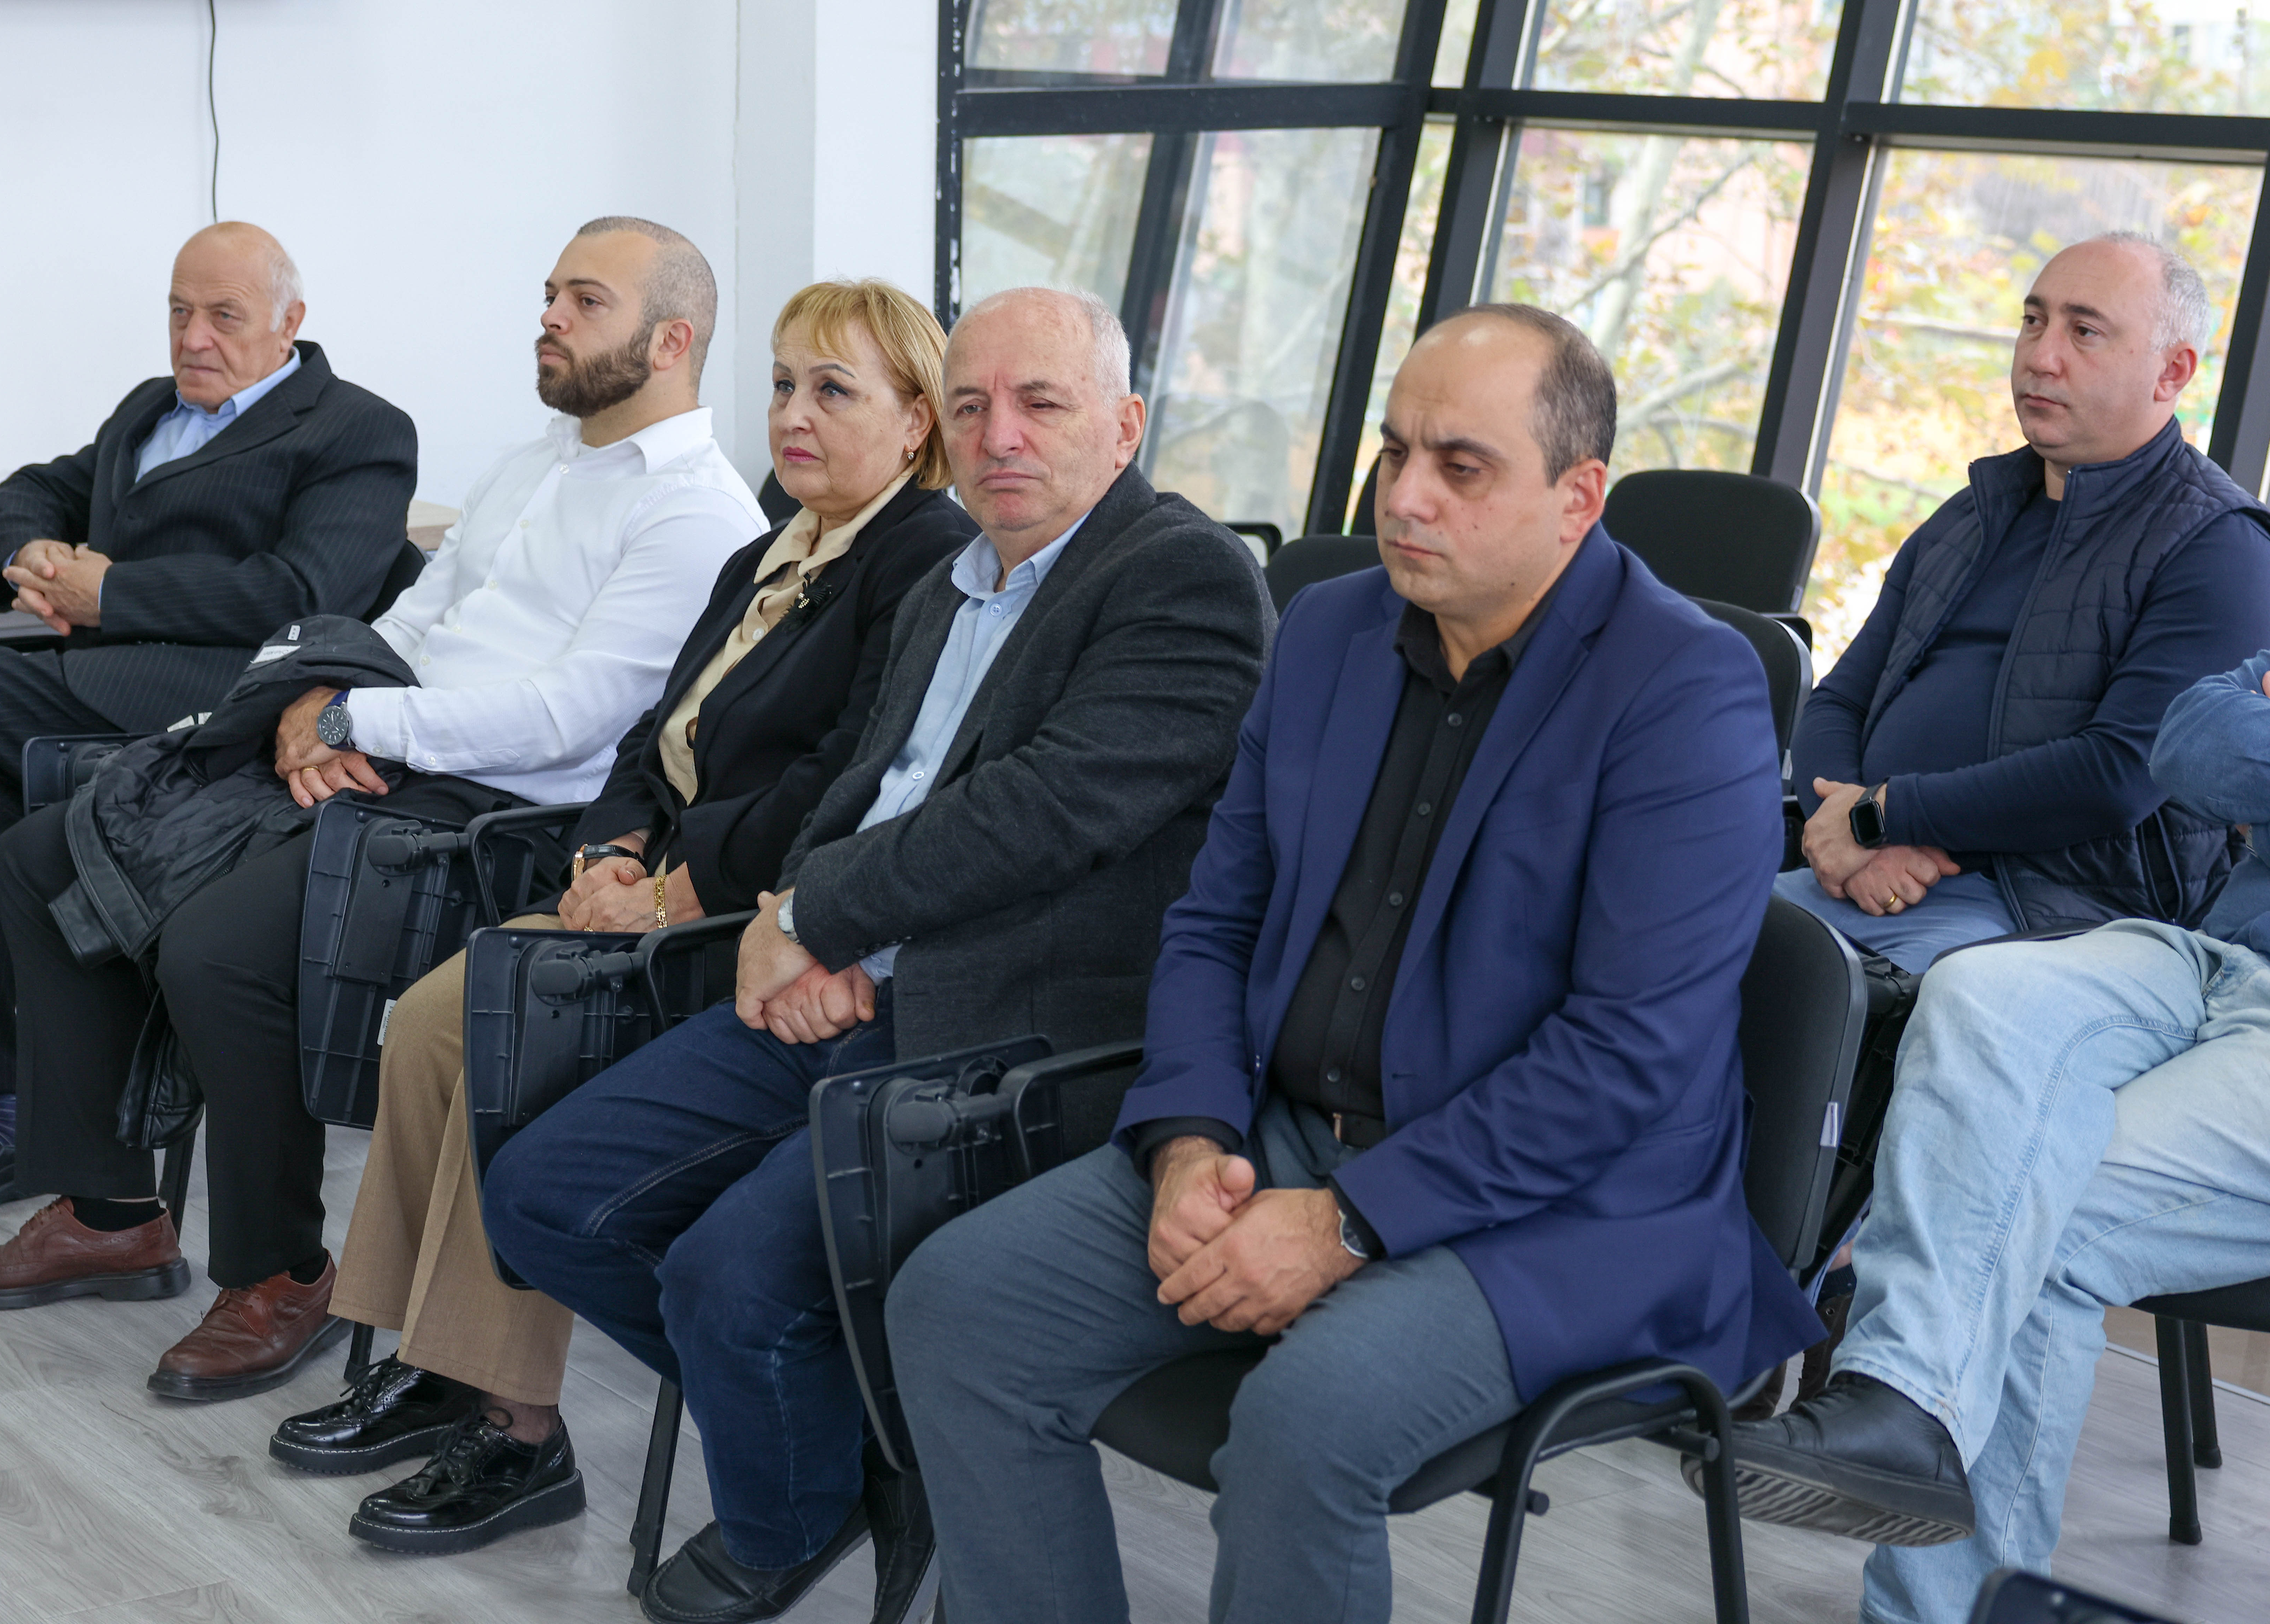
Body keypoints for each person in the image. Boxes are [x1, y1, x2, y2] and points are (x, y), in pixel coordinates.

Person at [883, 306, 1825, 1624]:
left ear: (1578, 498)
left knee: (1305, 1426)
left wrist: (1347, 1223)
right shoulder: (1327, 631)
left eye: (1461, 466)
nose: (1405, 497)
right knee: (958, 1306)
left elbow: (1627, 1060)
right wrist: (1189, 1141)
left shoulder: (1688, 689)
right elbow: (1215, 921)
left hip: (1569, 1212)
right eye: (1394, 453)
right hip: (1284, 1137)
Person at [477, 287, 1273, 1624]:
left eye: (1041, 404)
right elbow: (855, 786)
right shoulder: (952, 582)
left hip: (1012, 1028)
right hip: (844, 986)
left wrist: (815, 920)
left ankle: (786, 1514)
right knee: (544, 1196)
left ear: (1125, 425)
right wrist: (806, 918)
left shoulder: (1181, 578)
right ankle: (855, 1456)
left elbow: (1045, 810)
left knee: (727, 1280)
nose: (998, 435)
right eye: (971, 406)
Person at [0, 217, 764, 1406]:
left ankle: (280, 1273)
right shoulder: (535, 464)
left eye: (586, 301)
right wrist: (319, 694)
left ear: (671, 341)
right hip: (385, 747)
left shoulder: (698, 514)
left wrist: (366, 722)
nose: (550, 316)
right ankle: (109, 1213)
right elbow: (409, 622)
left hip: (492, 817)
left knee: (215, 950)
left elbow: (573, 719)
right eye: (550, 292)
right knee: (44, 851)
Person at [265, 279, 978, 1558]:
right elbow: (658, 735)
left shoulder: (920, 556)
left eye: (834, 391)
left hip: (748, 922)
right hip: (653, 891)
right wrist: (611, 847)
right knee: (433, 1020)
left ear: (918, 422)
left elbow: (841, 777)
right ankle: (436, 1360)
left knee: (495, 1017)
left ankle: (519, 1427)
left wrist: (672, 889)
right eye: (783, 385)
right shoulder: (774, 546)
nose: (793, 415)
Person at [0, 222, 418, 1231]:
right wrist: (27, 553)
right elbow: (36, 487)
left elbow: (306, 592)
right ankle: (5, 1121)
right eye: (180, 311)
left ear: (290, 321)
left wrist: (113, 593)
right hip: (103, 680)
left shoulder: (358, 430)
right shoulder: (151, 408)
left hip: (218, 703)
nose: (194, 337)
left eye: (224, 316)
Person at [1713, 651, 2270, 1624]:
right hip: (2216, 957)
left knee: (2032, 1205)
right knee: (1979, 987)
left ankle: (1925, 1571)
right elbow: (2191, 744)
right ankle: (1901, 1404)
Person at [1781, 231, 2270, 976]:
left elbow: (2116, 775)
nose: (2042, 357)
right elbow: (1841, 698)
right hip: (1861, 871)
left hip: (2049, 915)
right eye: (2033, 321)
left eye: (2085, 331)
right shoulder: (1972, 512)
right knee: (1661, 925)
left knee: (1765, 974)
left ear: (2172, 372)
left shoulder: (2220, 544)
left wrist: (1880, 815)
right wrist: (1843, 828)